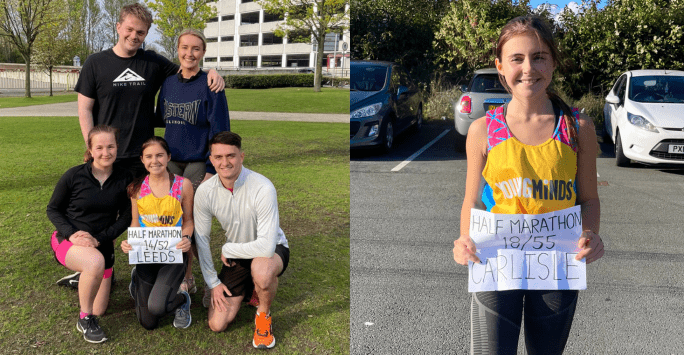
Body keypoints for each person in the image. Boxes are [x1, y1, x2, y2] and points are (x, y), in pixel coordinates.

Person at [451, 16, 605, 355]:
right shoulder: (483, 130)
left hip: (557, 265)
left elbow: (589, 199)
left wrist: (591, 234)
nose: (528, 68)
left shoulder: (577, 126)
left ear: (553, 61)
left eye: (539, 57)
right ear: (500, 66)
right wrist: (465, 238)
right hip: (494, 261)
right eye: (516, 58)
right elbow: (472, 200)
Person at [62, 2, 225, 288]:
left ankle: (163, 274)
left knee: (154, 216)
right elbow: (84, 109)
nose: (134, 35)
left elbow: (189, 68)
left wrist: (213, 71)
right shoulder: (95, 63)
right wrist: (92, 147)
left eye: (141, 32)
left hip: (147, 159)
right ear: (118, 27)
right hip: (107, 156)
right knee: (99, 212)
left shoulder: (153, 62)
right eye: (130, 29)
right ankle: (94, 268)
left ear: (146, 34)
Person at [194, 131, 290, 349]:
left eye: (231, 156)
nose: (225, 162)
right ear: (211, 159)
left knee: (262, 271)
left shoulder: (262, 186)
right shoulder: (205, 192)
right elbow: (201, 238)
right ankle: (251, 288)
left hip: (271, 249)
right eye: (218, 157)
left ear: (242, 157)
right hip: (237, 255)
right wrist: (213, 282)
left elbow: (266, 246)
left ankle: (263, 316)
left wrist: (229, 248)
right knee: (217, 324)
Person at [156, 28, 230, 298]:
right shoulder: (169, 83)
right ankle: (178, 274)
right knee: (172, 221)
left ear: (203, 53)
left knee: (193, 222)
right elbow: (161, 119)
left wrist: (212, 169)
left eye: (196, 48)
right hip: (171, 162)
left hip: (198, 161)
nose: (189, 53)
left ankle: (203, 279)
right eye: (184, 48)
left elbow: (220, 129)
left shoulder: (210, 84)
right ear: (177, 50)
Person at [47, 125, 132, 343]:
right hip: (68, 241)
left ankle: (82, 279)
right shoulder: (74, 176)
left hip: (101, 244)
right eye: (100, 147)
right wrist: (71, 234)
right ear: (91, 149)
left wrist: (102, 238)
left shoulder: (124, 178)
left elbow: (125, 216)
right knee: (94, 263)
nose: (106, 153)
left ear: (117, 147)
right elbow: (53, 209)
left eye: (111, 146)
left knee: (100, 308)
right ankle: (84, 319)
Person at [120, 137, 194, 330]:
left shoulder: (183, 185)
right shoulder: (136, 189)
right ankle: (138, 279)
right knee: (148, 322)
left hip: (173, 254)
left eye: (160, 155)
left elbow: (189, 221)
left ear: (168, 157)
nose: (155, 161)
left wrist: (186, 238)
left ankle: (182, 299)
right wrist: (130, 242)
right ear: (143, 160)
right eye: (149, 156)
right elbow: (136, 221)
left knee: (158, 307)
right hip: (147, 256)